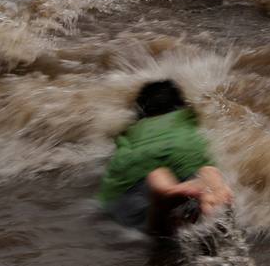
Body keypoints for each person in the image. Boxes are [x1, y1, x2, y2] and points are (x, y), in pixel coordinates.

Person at [97, 79, 233, 234]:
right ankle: (211, 180)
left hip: (134, 171)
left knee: (151, 222)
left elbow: (116, 142)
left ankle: (163, 190)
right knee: (196, 201)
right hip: (186, 158)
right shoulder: (188, 117)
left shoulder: (132, 128)